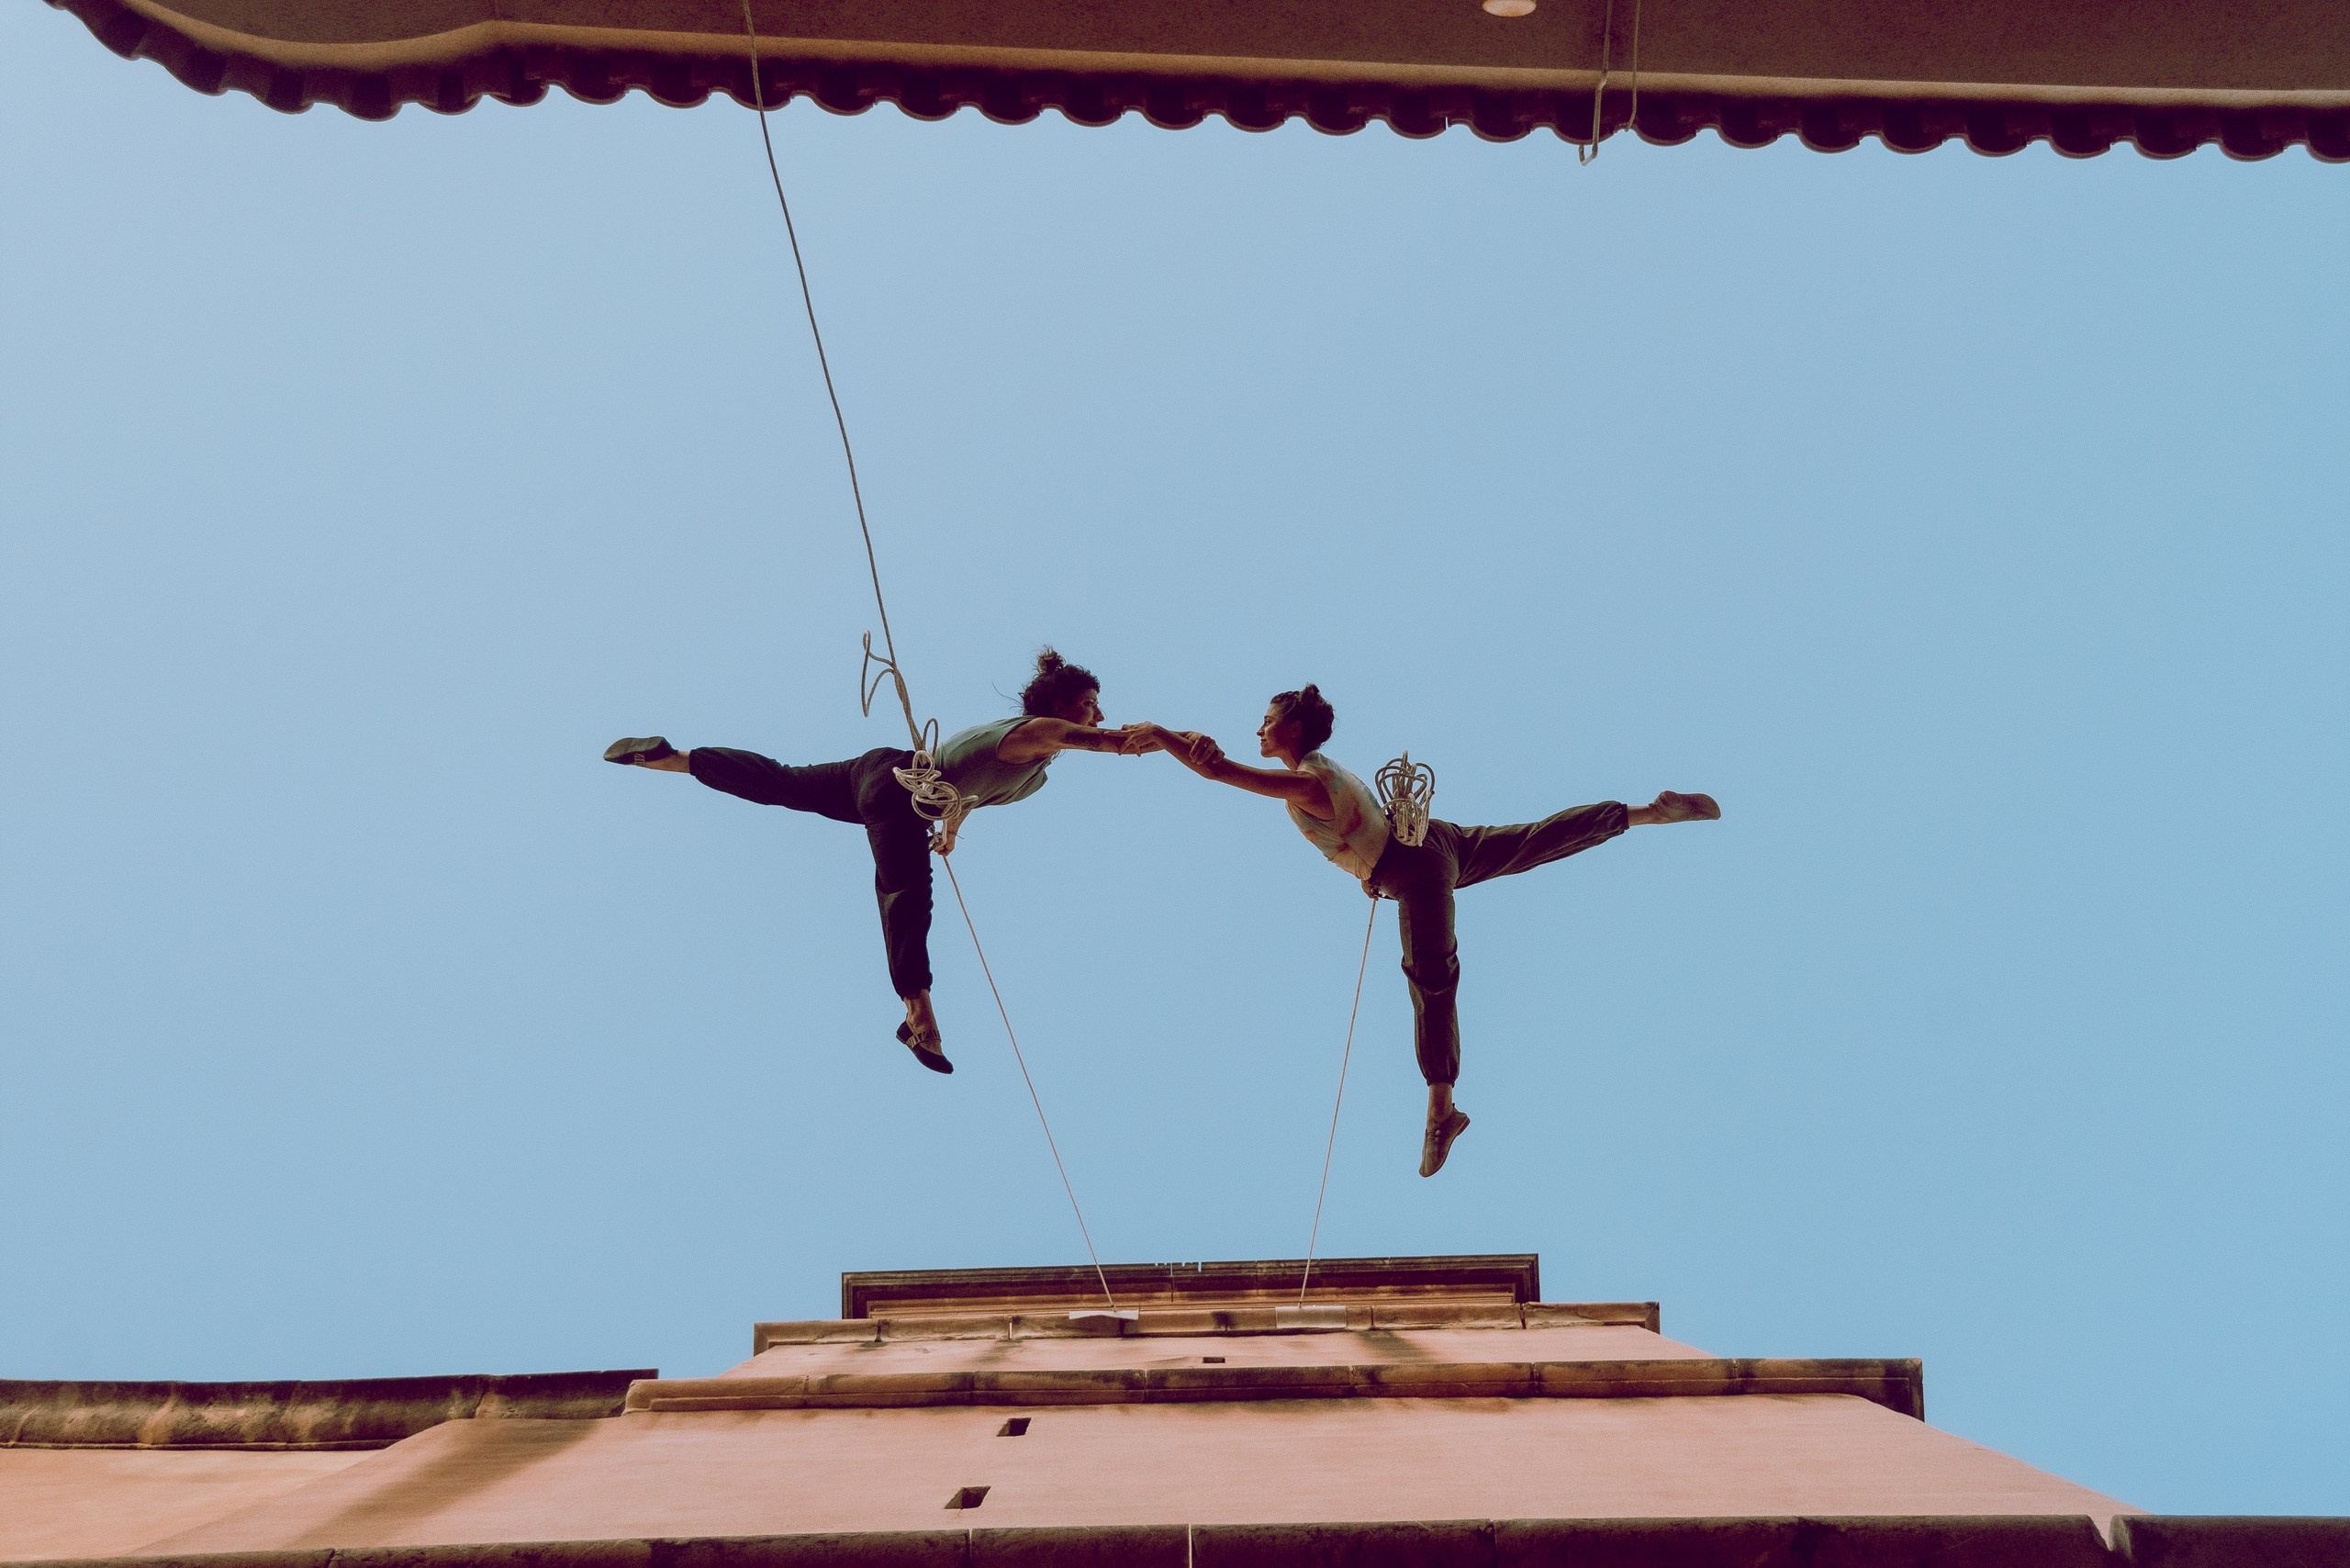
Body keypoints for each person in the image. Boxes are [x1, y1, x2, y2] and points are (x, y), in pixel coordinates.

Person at [1136, 687, 1718, 1177]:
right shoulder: (1330, 771)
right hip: (1436, 841)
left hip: (1412, 866)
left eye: (1266, 720)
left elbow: (1220, 771)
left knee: (1432, 979)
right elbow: (1360, 828)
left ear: (1291, 728)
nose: (1258, 728)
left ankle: (1441, 1111)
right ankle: (1642, 813)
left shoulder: (1308, 782)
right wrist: (1372, 874)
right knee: (1532, 840)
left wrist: (1158, 734)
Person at [605, 650, 1145, 1074]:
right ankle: (918, 1014)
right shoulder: (1040, 731)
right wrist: (1167, 738)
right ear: (1062, 706)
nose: (1099, 713)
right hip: (899, 789)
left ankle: (677, 759)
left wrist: (951, 831)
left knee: (783, 782)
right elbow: (1114, 743)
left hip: (877, 773)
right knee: (906, 895)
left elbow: (970, 787)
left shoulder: (1035, 768)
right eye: (1091, 703)